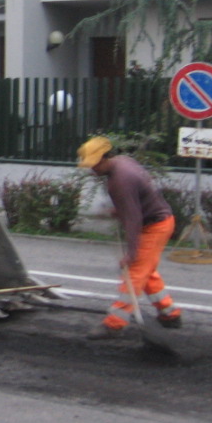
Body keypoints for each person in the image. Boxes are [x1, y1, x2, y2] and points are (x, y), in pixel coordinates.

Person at [77, 136, 183, 340]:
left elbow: (133, 218)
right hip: (158, 220)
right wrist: (121, 210)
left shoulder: (120, 180)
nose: (92, 169)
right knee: (146, 271)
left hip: (154, 225)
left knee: (134, 273)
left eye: (94, 164)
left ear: (105, 157)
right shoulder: (123, 162)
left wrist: (131, 253)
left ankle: (114, 324)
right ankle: (170, 314)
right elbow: (137, 199)